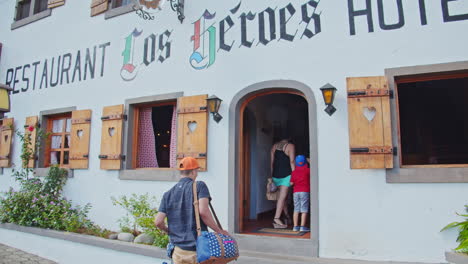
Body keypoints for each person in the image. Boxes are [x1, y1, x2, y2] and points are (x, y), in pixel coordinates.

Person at [154, 157, 230, 264]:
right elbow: (203, 212)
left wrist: (170, 231)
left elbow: (158, 222)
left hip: (177, 252)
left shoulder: (168, 194)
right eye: (197, 171)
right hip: (197, 250)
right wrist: (219, 231)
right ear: (194, 171)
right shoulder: (199, 186)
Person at [270, 136, 295, 228]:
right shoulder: (290, 146)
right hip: (286, 175)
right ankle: (276, 219)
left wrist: (272, 176)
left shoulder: (274, 146)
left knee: (282, 198)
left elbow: (272, 163)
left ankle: (287, 215)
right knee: (282, 197)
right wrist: (295, 176)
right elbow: (292, 161)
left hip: (276, 175)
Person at [289, 155, 310, 232]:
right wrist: (309, 161)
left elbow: (291, 183)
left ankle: (295, 227)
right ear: (305, 162)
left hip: (296, 192)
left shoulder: (294, 172)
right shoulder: (307, 170)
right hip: (305, 191)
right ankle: (302, 227)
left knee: (296, 209)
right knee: (304, 209)